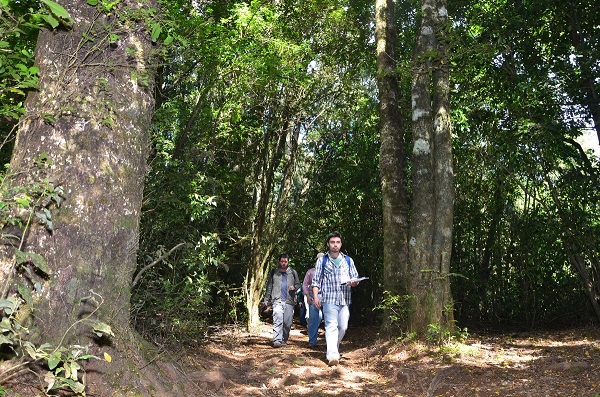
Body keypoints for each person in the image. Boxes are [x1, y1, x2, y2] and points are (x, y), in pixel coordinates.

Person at [312, 232, 360, 366]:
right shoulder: (323, 260)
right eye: (332, 242)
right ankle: (332, 354)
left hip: (344, 299)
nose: (335, 245)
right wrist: (316, 297)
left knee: (343, 327)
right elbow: (316, 281)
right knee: (331, 326)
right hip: (329, 299)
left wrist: (354, 282)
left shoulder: (348, 260)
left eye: (337, 242)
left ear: (341, 244)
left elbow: (355, 278)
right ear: (328, 244)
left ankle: (334, 347)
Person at [264, 253, 301, 347]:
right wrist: (266, 300)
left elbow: (298, 284)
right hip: (277, 300)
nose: (283, 263)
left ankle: (284, 339)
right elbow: (269, 287)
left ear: (288, 262)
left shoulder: (293, 272)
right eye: (282, 261)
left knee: (287, 323)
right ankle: (277, 340)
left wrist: (295, 287)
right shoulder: (274, 272)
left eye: (285, 261)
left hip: (289, 301)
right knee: (277, 320)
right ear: (279, 261)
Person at [303, 253, 324, 347]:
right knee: (314, 319)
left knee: (330, 319)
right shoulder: (311, 272)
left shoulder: (329, 271)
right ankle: (312, 340)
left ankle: (331, 342)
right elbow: (304, 284)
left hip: (327, 297)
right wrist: (307, 295)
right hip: (313, 296)